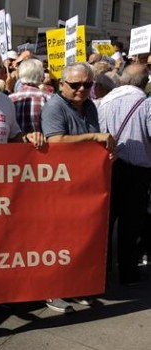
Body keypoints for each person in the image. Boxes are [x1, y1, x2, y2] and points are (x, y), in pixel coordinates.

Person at [41, 62, 115, 313]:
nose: (82, 89)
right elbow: (56, 141)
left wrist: (103, 152)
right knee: (57, 240)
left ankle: (74, 286)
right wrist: (94, 138)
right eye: (75, 84)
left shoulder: (90, 105)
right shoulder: (54, 105)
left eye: (87, 84)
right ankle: (53, 290)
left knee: (79, 239)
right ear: (62, 85)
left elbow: (93, 142)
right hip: (59, 185)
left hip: (83, 184)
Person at [98, 63, 151, 286]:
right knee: (131, 223)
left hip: (108, 166)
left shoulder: (104, 101)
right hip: (137, 171)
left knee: (107, 221)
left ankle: (103, 270)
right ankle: (128, 273)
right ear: (144, 82)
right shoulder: (146, 104)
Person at [8, 58, 52, 135]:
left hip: (17, 145)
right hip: (42, 145)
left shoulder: (9, 99)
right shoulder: (48, 98)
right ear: (41, 75)